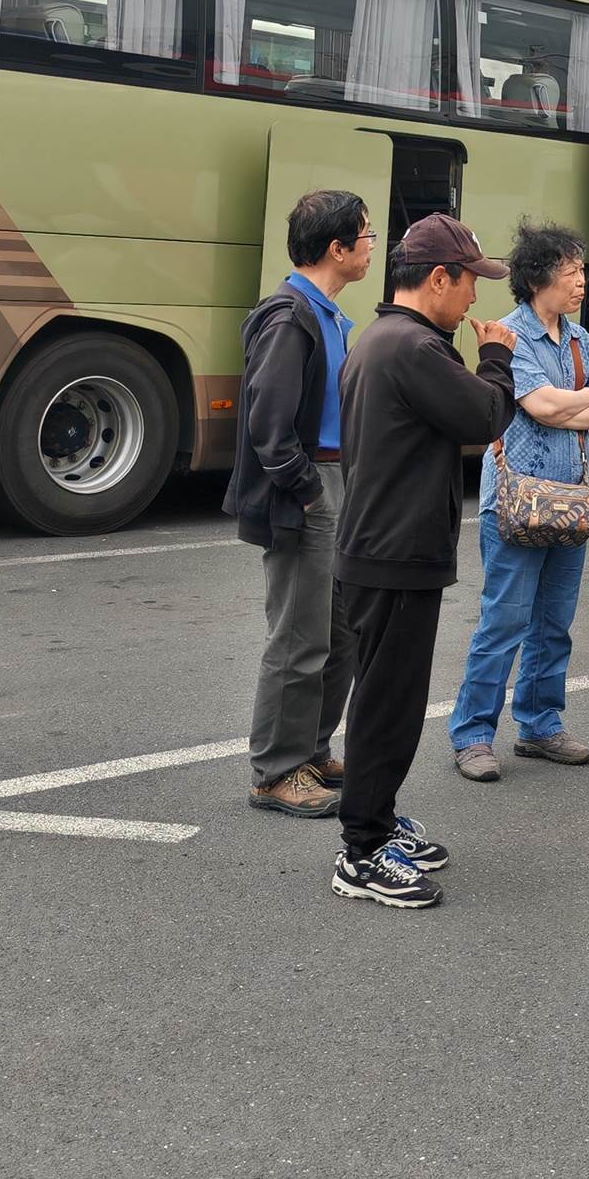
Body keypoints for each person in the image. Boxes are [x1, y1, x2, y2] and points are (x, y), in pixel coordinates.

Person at [329, 214, 517, 911]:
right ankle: (363, 848)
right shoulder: (413, 348)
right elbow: (485, 417)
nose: (475, 300)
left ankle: (376, 821)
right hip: (395, 549)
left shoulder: (381, 337)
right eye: (470, 283)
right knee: (388, 705)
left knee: (386, 697)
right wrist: (496, 355)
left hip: (378, 545)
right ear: (438, 278)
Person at [448, 222, 589, 781]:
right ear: (539, 277)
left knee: (554, 624)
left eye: (580, 271)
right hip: (516, 504)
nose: (580, 282)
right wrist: (582, 399)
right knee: (503, 622)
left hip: (568, 502)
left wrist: (581, 401)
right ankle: (472, 735)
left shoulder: (581, 340)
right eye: (570, 272)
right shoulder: (509, 335)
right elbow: (542, 407)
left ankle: (542, 726)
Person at [225, 189, 373, 818]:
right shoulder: (290, 316)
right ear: (337, 249)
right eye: (365, 237)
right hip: (313, 488)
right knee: (299, 635)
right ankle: (276, 771)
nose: (373, 247)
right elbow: (269, 424)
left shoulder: (328, 314)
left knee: (339, 633)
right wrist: (309, 492)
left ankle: (310, 751)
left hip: (339, 482)